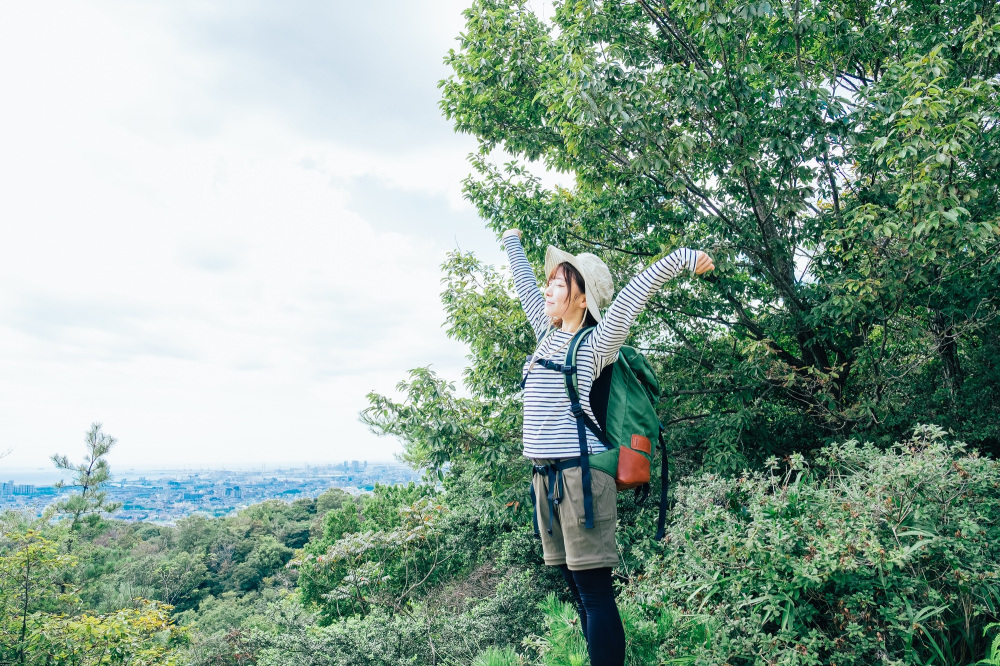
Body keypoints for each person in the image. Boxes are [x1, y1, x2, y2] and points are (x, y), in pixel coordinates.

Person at [501, 228, 714, 666]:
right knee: (579, 594)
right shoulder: (547, 336)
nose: (548, 290)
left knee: (596, 595)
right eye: (552, 282)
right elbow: (526, 285)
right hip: (547, 480)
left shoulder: (596, 344)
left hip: (582, 478)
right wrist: (511, 243)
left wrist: (685, 258)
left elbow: (637, 291)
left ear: (582, 299)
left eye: (559, 284)